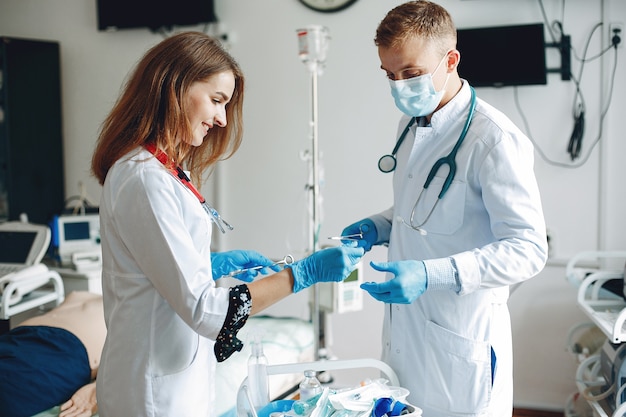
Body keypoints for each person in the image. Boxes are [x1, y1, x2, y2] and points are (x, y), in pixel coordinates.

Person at [90, 31, 364, 417]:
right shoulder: (144, 178)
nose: (221, 119)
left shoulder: (167, 170)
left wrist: (210, 265)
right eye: (216, 100)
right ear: (174, 86)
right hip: (150, 394)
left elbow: (158, 266)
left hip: (174, 378)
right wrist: (304, 274)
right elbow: (207, 311)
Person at [340, 2, 548, 416]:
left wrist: (433, 273)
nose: (400, 86)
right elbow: (423, 208)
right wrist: (379, 227)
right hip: (408, 334)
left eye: (412, 74)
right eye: (390, 75)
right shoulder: (411, 125)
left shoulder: (494, 140)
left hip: (461, 338)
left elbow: (528, 249)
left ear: (450, 60)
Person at [0, 291, 104, 417]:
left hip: (29, 337)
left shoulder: (80, 294)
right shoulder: (125, 308)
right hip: (50, 345)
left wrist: (97, 389)